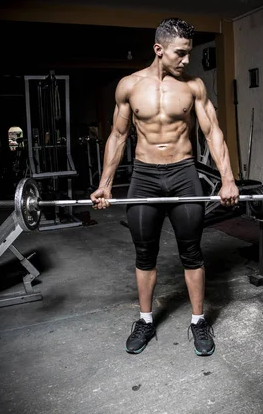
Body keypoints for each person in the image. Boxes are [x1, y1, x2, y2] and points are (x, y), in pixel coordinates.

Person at [90, 18, 239, 356]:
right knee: (145, 254)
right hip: (144, 176)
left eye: (189, 53)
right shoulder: (129, 86)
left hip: (183, 173)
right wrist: (105, 184)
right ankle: (145, 320)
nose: (187, 60)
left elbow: (213, 132)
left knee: (192, 251)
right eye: (180, 54)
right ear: (159, 50)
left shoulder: (194, 87)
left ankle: (198, 322)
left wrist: (228, 179)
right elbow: (117, 135)